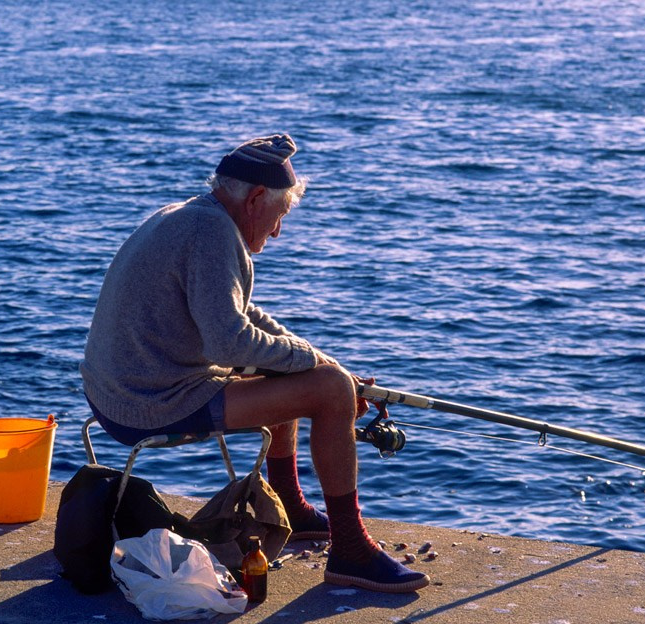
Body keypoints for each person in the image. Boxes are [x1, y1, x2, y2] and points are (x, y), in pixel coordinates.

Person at [80, 134, 429, 593]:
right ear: (258, 198)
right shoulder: (211, 233)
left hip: (122, 390)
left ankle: (291, 504)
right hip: (148, 403)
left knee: (305, 373)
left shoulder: (192, 215)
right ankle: (351, 550)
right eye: (280, 216)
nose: (278, 231)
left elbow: (242, 318)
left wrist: (323, 361)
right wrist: (333, 379)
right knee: (328, 391)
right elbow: (230, 341)